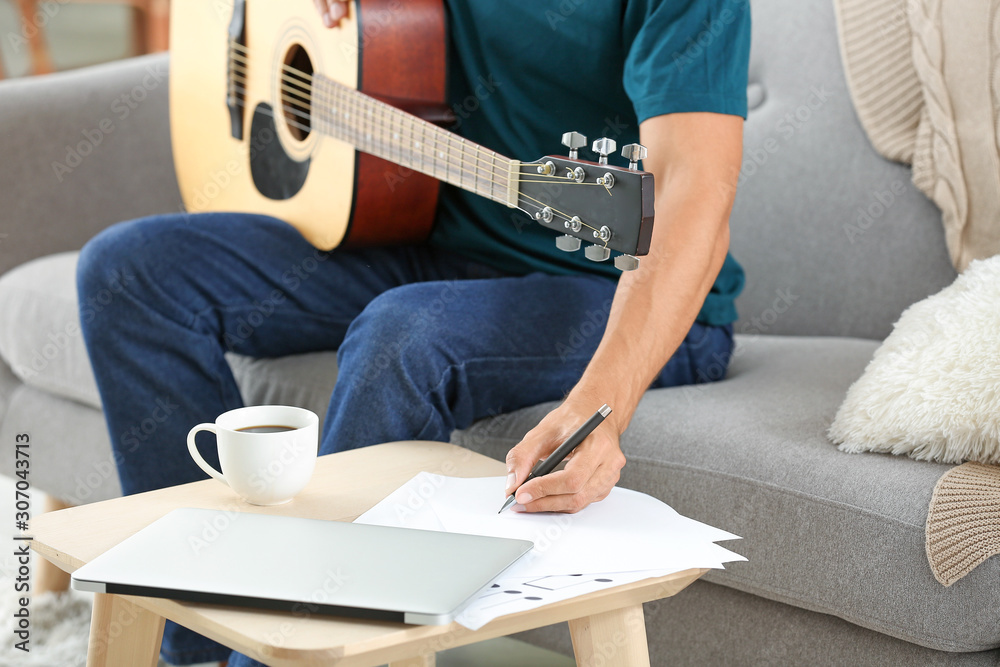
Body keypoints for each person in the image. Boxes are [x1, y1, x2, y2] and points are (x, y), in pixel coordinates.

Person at [78, 0, 750, 664]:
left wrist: (599, 409)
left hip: (619, 293)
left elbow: (693, 193)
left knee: (404, 332)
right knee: (129, 272)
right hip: (426, 235)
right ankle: (199, 642)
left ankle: (289, 654)